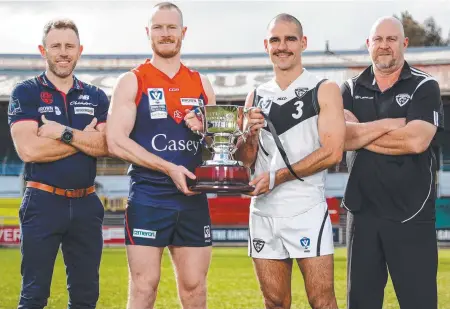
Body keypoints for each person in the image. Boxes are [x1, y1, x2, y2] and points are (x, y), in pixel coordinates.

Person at [106, 2, 216, 309]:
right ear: (148, 33)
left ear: (183, 32)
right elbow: (115, 141)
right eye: (158, 27)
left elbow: (215, 144)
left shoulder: (201, 84)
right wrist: (168, 168)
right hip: (148, 197)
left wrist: (206, 131)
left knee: (195, 288)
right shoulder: (133, 80)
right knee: (144, 287)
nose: (165, 34)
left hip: (193, 197)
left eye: (171, 27)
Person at [236, 13, 345, 309]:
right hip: (263, 211)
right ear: (266, 45)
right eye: (275, 40)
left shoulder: (324, 88)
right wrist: (250, 135)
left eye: (289, 39)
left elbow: (333, 152)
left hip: (306, 208)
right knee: (273, 301)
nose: (282, 46)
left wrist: (278, 176)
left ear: (303, 43)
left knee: (322, 301)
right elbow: (246, 160)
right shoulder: (255, 95)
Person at [342, 16, 444, 309]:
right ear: (368, 44)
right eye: (378, 39)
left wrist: (362, 132)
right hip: (362, 214)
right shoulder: (349, 88)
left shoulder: (425, 87)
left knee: (419, 303)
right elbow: (342, 139)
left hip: (411, 214)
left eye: (391, 39)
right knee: (361, 303)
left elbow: (416, 141)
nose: (384, 46)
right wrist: (393, 124)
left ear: (404, 44)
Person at [8, 19, 109, 309]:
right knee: (34, 295)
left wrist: (62, 133)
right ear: (43, 50)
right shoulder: (25, 92)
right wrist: (83, 139)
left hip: (87, 203)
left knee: (86, 297)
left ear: (79, 51)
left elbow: (104, 145)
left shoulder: (96, 95)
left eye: (69, 46)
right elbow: (29, 149)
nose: (63, 52)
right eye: (56, 46)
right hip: (42, 201)